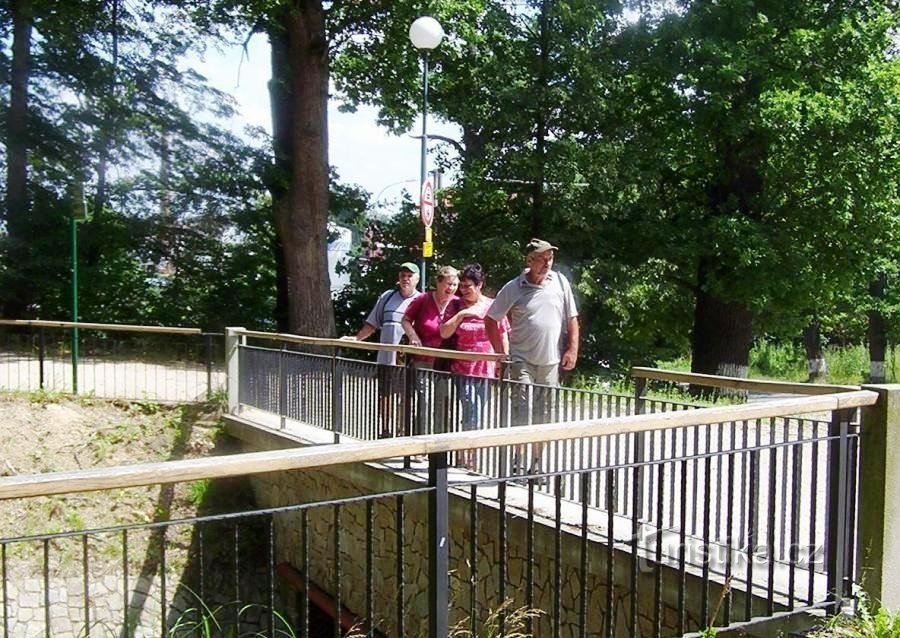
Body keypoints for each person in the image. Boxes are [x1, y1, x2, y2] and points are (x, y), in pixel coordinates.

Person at [485, 239, 579, 477]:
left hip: (550, 361)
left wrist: (572, 349)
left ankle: (537, 463)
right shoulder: (514, 287)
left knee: (546, 413)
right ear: (529, 261)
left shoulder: (559, 282)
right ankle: (518, 459)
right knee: (522, 410)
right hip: (521, 360)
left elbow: (572, 319)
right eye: (541, 258)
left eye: (550, 258)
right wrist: (499, 352)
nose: (547, 263)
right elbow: (491, 319)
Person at [439, 264, 508, 470]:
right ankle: (465, 457)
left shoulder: (492, 305)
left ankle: (471, 455)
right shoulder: (455, 306)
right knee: (471, 410)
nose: (463, 290)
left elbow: (503, 332)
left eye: (468, 286)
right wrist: (463, 314)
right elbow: (443, 332)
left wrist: (503, 361)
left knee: (478, 411)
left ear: (479, 285)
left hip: (485, 367)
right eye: (462, 286)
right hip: (463, 368)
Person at [342, 262, 421, 437]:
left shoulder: (420, 300)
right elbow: (372, 323)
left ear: (417, 279)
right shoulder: (387, 297)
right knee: (385, 395)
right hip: (386, 358)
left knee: (407, 396)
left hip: (408, 360)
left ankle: (404, 431)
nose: (406, 279)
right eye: (403, 275)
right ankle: (385, 429)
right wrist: (356, 338)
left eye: (410, 276)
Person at [401, 265, 460, 435]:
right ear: (438, 282)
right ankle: (421, 444)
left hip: (445, 362)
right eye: (448, 284)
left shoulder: (457, 303)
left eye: (454, 284)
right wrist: (413, 336)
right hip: (423, 358)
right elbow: (405, 320)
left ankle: (439, 446)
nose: (451, 288)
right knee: (425, 401)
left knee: (442, 402)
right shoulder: (423, 299)